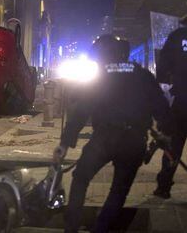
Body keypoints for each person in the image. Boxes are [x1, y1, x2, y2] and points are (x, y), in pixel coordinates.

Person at [53, 35, 173, 233]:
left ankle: (71, 228)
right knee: (118, 192)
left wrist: (65, 143)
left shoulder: (101, 76)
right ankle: (100, 229)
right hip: (134, 142)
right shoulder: (143, 75)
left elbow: (82, 111)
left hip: (104, 138)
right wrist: (164, 133)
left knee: (80, 178)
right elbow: (162, 111)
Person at [154, 15, 187, 199]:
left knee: (174, 145)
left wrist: (164, 83)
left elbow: (163, 63)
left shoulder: (177, 36)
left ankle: (164, 186)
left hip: (182, 99)